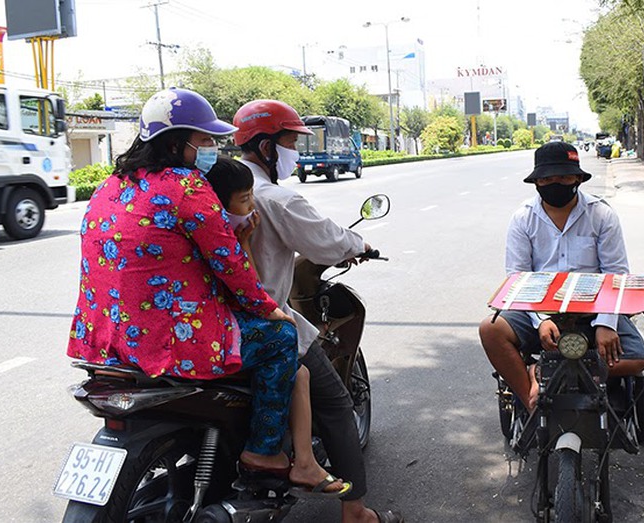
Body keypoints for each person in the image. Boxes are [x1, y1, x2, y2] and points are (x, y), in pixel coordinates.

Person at [66, 87, 299, 482]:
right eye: (205, 139)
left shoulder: (110, 186)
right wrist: (268, 307)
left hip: (104, 340)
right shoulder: (187, 186)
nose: (212, 147)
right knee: (280, 338)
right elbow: (229, 264)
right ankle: (264, 452)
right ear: (178, 144)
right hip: (171, 340)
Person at [232, 99, 404, 523]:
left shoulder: (205, 190)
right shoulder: (273, 198)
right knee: (336, 404)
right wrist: (359, 244)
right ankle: (357, 511)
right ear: (267, 148)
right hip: (263, 321)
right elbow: (326, 240)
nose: (296, 152)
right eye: (290, 142)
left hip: (204, 324)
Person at [203, 156, 351, 498]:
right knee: (285, 336)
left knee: (298, 374)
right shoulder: (212, 234)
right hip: (214, 334)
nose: (253, 206)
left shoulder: (215, 228)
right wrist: (274, 313)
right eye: (245, 200)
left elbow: (248, 283)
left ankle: (304, 460)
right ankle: (267, 451)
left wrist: (245, 239)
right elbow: (250, 292)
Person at [478, 140, 644, 413]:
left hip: (594, 310)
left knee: (638, 360)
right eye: (548, 178)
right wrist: (541, 319)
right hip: (539, 309)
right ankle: (531, 397)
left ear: (578, 179)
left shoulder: (601, 214)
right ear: (537, 182)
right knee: (490, 329)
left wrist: (606, 324)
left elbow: (615, 274)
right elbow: (518, 277)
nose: (556, 183)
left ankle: (574, 375)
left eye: (564, 176)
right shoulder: (523, 218)